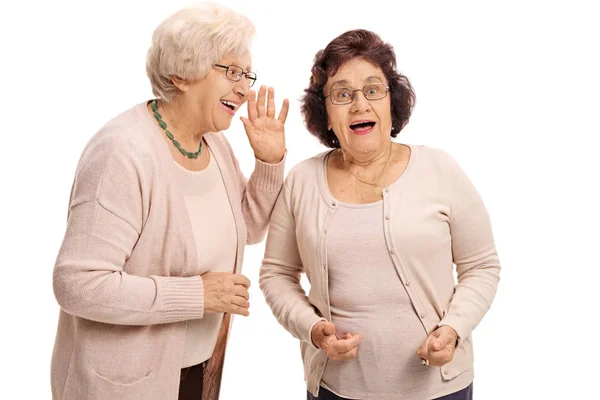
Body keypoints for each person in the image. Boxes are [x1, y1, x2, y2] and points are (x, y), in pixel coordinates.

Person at [51, 3, 289, 400]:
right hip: (122, 386)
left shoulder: (213, 143)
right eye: (231, 72)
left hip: (195, 370)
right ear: (181, 74)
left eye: (247, 75)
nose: (244, 89)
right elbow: (77, 284)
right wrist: (196, 295)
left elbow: (246, 230)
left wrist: (268, 162)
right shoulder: (122, 154)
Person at [259, 29, 500, 400]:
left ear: (392, 103)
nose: (359, 104)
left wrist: (453, 328)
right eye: (342, 94)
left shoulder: (440, 168)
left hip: (440, 390)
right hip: (334, 390)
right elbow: (276, 274)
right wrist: (314, 329)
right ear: (325, 115)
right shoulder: (302, 181)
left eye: (373, 89)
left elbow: (481, 265)